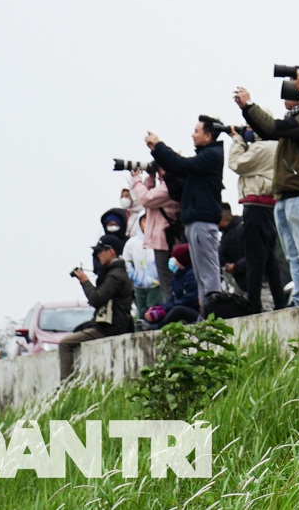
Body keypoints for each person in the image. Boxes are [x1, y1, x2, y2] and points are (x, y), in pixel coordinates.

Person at [236, 75, 299, 306]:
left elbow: (271, 127)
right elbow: (269, 130)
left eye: (293, 89)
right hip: (285, 194)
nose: (286, 94)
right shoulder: (295, 119)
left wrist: (249, 106)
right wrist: (247, 111)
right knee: (292, 254)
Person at [146, 116, 227, 306]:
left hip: (203, 223)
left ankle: (214, 310)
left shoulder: (211, 155)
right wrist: (157, 152)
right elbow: (178, 168)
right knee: (200, 274)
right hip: (194, 222)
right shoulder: (204, 157)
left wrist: (159, 146)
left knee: (208, 272)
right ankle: (206, 313)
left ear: (208, 136)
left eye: (197, 131)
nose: (193, 135)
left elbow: (181, 165)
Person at [225, 125, 288, 311]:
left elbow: (236, 163)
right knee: (269, 261)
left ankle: (254, 306)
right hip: (270, 206)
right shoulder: (277, 145)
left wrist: (237, 139)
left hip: (255, 207)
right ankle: (279, 303)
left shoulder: (262, 147)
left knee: (254, 259)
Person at [60, 235, 134, 376]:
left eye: (100, 251)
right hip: (112, 324)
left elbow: (96, 299)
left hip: (110, 327)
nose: (97, 255)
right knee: (80, 330)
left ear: (111, 251)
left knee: (65, 344)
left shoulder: (115, 276)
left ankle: (66, 385)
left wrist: (84, 281)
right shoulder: (114, 273)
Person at [128, 166, 177, 292]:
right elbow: (151, 194)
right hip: (163, 240)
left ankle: (172, 308)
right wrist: (151, 176)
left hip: (166, 240)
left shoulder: (172, 187)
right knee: (167, 281)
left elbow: (146, 199)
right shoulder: (168, 186)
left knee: (167, 282)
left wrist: (136, 180)